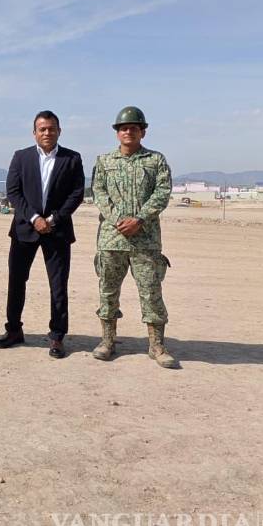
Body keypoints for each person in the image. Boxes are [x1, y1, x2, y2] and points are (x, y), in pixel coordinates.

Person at [91, 106, 176, 368]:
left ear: (143, 131)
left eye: (134, 128)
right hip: (111, 239)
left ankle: (157, 345)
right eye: (124, 128)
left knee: (151, 292)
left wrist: (139, 219)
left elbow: (162, 192)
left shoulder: (155, 160)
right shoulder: (104, 161)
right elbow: (99, 192)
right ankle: (107, 341)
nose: (129, 131)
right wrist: (119, 220)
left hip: (145, 239)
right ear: (117, 133)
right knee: (107, 291)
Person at [0, 110, 85, 358]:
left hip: (57, 231)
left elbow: (76, 194)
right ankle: (13, 330)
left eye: (51, 128)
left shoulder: (72, 158)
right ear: (34, 132)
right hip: (25, 230)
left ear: (59, 131)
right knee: (16, 282)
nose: (47, 133)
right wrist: (34, 218)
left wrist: (53, 219)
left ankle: (56, 337)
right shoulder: (21, 157)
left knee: (58, 286)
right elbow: (14, 192)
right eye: (42, 129)